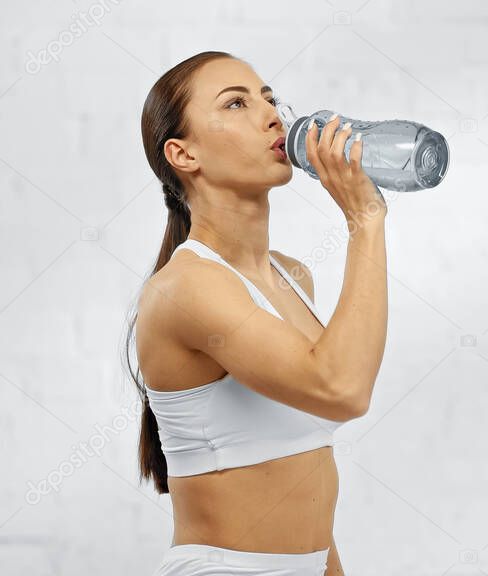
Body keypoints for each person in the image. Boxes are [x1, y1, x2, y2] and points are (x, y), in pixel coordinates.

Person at [124, 50, 388, 576]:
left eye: (269, 98)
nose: (272, 115)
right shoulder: (188, 287)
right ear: (184, 154)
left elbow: (307, 492)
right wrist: (365, 218)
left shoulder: (291, 278)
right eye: (236, 103)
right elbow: (343, 390)